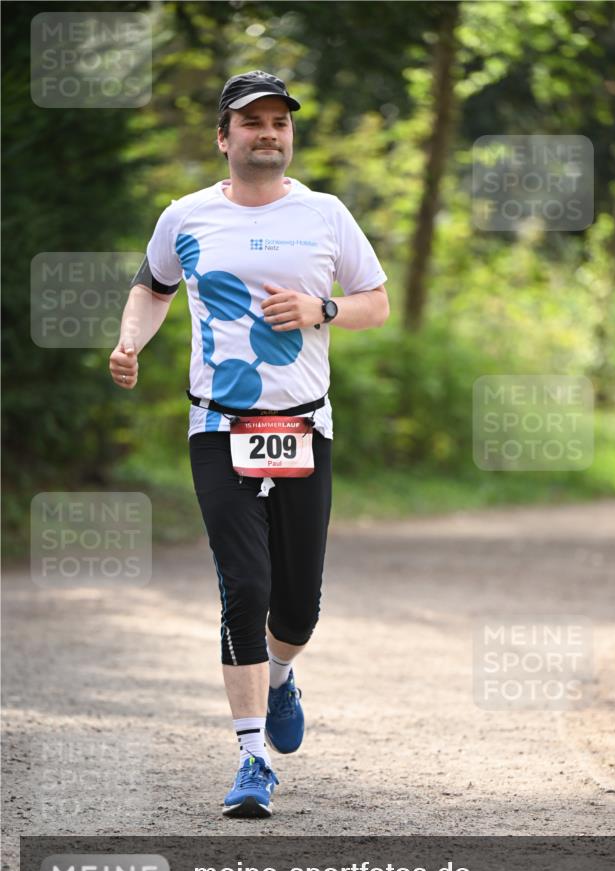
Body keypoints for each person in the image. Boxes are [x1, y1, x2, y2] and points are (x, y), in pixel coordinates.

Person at [109, 70, 389, 818]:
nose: (268, 133)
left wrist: (322, 308)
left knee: (297, 610)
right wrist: (130, 340)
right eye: (252, 122)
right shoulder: (187, 216)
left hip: (304, 426)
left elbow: (376, 303)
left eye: (279, 122)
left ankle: (282, 675)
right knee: (245, 586)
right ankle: (251, 758)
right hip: (218, 426)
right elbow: (153, 287)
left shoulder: (325, 214)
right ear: (223, 137)